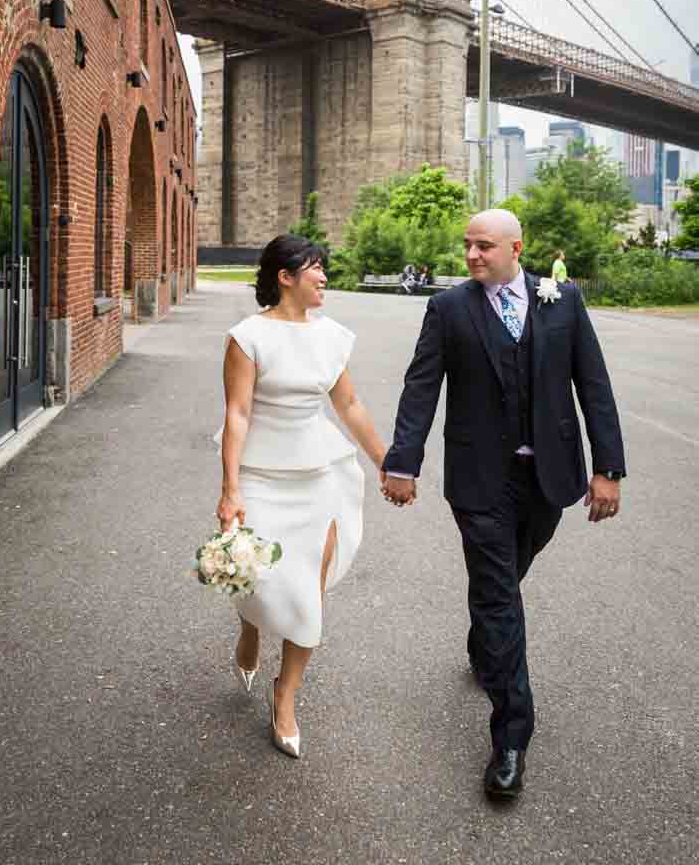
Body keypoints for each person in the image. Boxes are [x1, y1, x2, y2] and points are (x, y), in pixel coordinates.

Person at [382, 209, 625, 799]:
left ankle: (484, 641)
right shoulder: (447, 308)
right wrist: (402, 461)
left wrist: (608, 468)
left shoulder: (562, 299)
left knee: (507, 580)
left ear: (517, 248)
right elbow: (422, 387)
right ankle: (511, 738)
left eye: (483, 246)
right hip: (479, 479)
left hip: (549, 475)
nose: (471, 255)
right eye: (466, 245)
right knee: (497, 592)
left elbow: (593, 383)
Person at [216, 234, 387, 759]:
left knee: (308, 588)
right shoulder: (248, 337)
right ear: (285, 277)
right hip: (263, 470)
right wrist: (230, 489)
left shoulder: (333, 336)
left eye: (324, 268)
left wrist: (389, 463)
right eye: (314, 268)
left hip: (319, 473)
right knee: (259, 576)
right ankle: (250, 626)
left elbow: (351, 405)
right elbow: (238, 414)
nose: (324, 277)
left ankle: (284, 694)